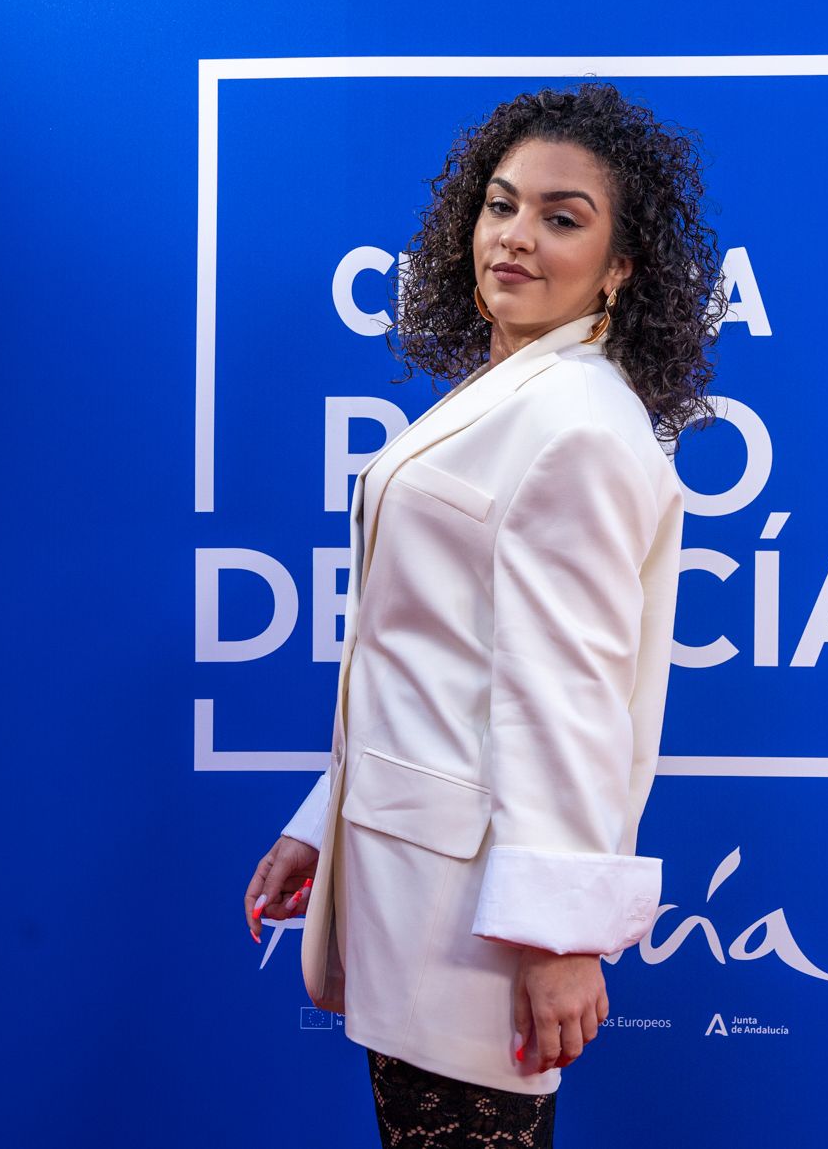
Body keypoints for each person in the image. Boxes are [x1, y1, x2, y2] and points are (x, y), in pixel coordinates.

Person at [242, 82, 725, 1148]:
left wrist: (562, 936)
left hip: (485, 925)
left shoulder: (578, 427)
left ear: (623, 264)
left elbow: (566, 700)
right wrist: (322, 818)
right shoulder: (507, 391)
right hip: (414, 883)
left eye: (563, 217)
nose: (515, 237)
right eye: (502, 204)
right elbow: (431, 658)